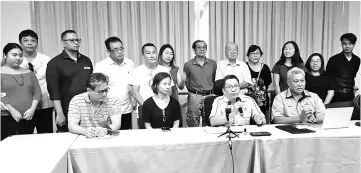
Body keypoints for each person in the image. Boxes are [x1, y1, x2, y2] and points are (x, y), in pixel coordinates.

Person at [46, 30, 93, 132]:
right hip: (67, 109)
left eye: (77, 40)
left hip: (87, 110)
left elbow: (91, 85)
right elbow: (54, 91)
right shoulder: (54, 63)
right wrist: (59, 113)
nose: (76, 42)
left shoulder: (86, 60)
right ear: (63, 43)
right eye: (72, 40)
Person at [1, 43, 41, 140]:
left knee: (26, 146)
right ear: (5, 56)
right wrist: (12, 111)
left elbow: (37, 92)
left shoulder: (29, 73)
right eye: (14, 55)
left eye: (20, 55)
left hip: (28, 117)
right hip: (6, 117)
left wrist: (32, 109)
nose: (18, 58)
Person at [129, 43, 173, 128]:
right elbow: (134, 92)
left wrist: (160, 107)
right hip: (145, 110)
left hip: (163, 110)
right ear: (143, 55)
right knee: (146, 138)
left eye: (154, 52)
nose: (152, 55)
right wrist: (147, 108)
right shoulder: (137, 71)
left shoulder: (164, 70)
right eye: (148, 53)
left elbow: (169, 91)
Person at [94, 37, 135, 130]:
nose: (120, 52)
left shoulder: (130, 63)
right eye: (116, 50)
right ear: (108, 51)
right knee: (109, 136)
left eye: (121, 49)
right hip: (108, 111)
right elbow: (96, 89)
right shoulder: (101, 66)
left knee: (124, 136)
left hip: (126, 109)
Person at [18, 29, 54, 133]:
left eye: (33, 40)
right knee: (24, 136)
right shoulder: (16, 60)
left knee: (45, 133)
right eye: (26, 40)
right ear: (20, 43)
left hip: (44, 102)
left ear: (37, 43)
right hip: (23, 104)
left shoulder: (46, 59)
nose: (29, 43)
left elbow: (51, 80)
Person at [68, 73, 122, 138]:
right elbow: (72, 125)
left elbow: (117, 123)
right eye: (101, 91)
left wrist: (106, 130)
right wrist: (85, 131)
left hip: (106, 137)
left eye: (106, 90)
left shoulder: (113, 101)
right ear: (89, 90)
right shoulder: (76, 100)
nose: (104, 94)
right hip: (84, 137)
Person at [183, 40, 217, 127]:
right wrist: (194, 92)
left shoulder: (213, 63)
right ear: (194, 50)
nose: (202, 49)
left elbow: (214, 78)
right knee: (193, 122)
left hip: (210, 95)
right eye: (199, 47)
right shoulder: (188, 65)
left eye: (204, 47)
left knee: (209, 121)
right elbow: (187, 81)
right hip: (194, 96)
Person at [326, 33, 360, 102]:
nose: (347, 46)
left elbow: (353, 76)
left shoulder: (357, 60)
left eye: (350, 43)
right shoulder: (333, 59)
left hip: (350, 95)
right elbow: (328, 77)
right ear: (341, 44)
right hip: (336, 95)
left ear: (354, 44)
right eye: (344, 43)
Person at [245, 45, 272, 115]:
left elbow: (268, 84)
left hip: (262, 102)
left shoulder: (265, 68)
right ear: (248, 55)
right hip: (246, 102)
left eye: (257, 53)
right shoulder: (243, 66)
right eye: (252, 53)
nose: (255, 55)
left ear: (260, 55)